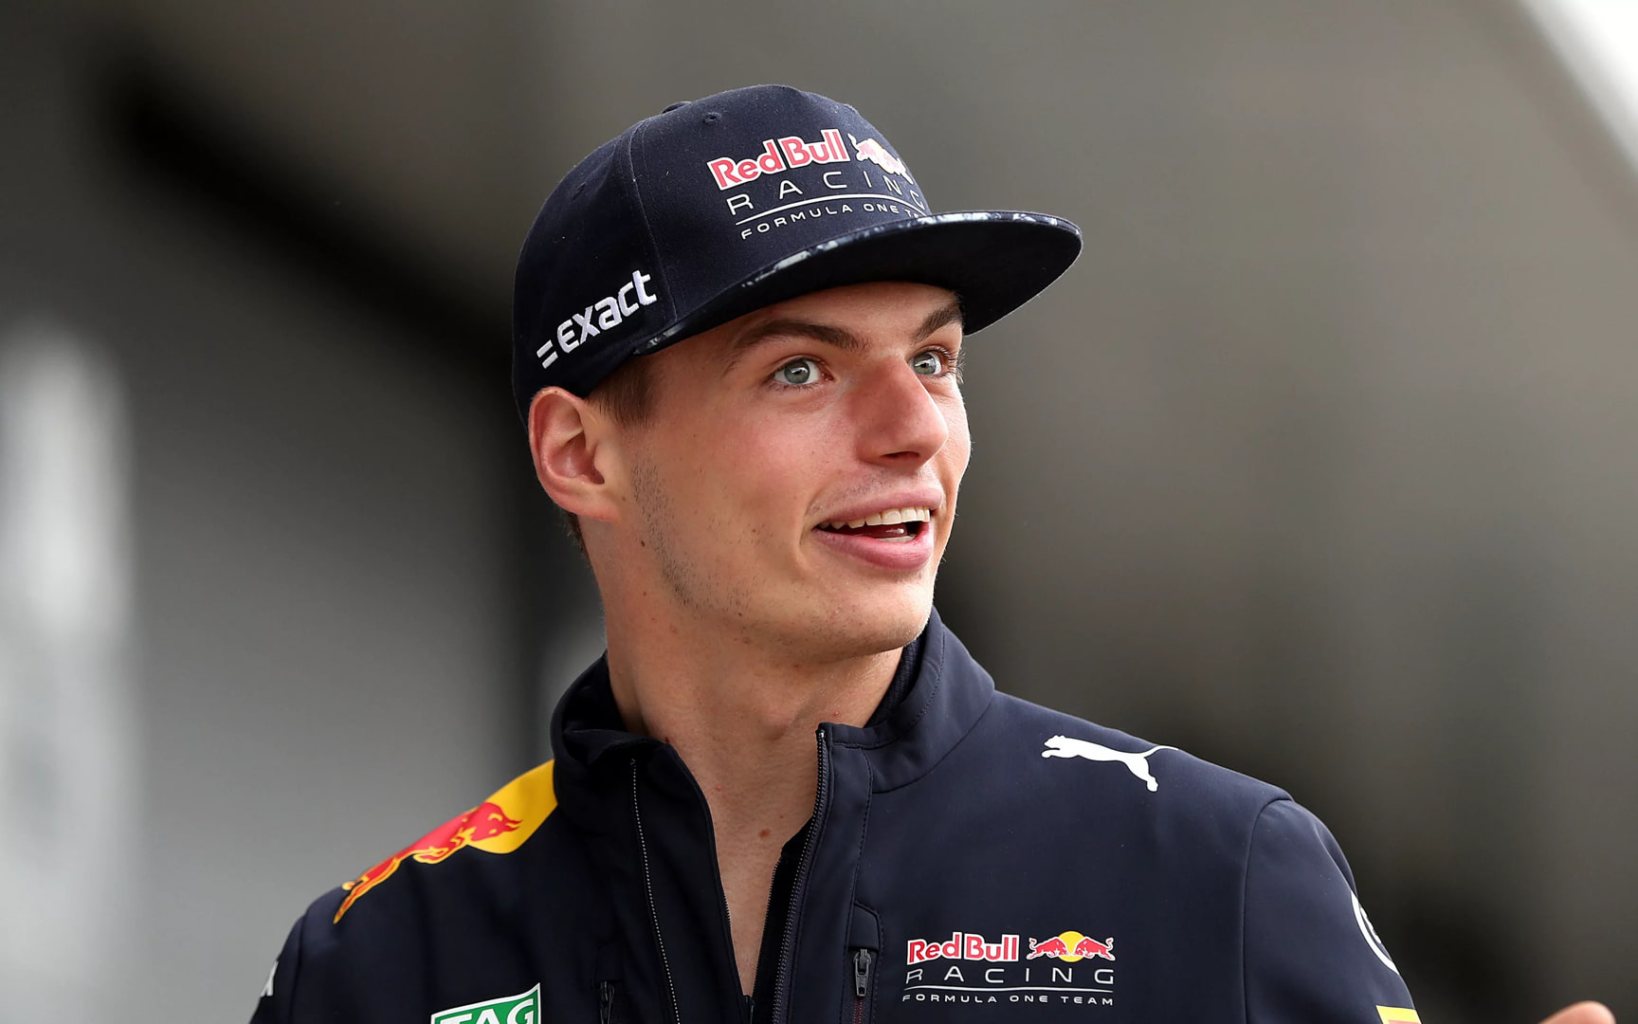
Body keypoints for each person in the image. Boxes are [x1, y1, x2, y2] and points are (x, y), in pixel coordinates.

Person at [249, 85, 1613, 1024]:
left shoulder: (1213, 874)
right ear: (581, 454)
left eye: (936, 360)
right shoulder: (381, 964)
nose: (914, 429)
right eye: (800, 369)